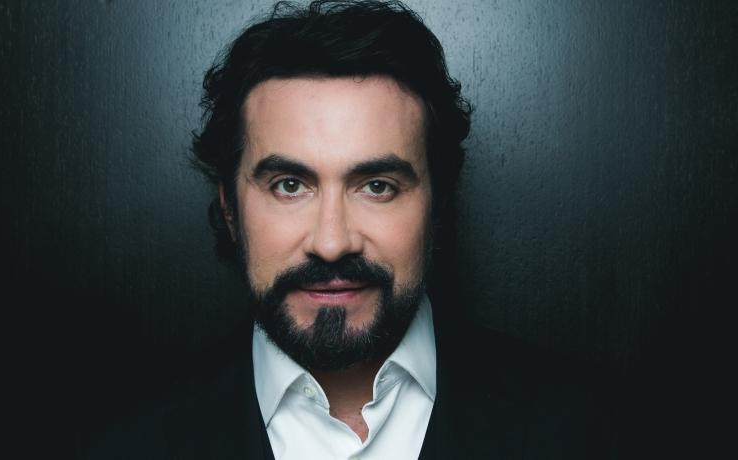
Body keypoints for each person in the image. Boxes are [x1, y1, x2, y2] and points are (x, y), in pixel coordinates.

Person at [87, 1, 615, 458]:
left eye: (377, 186)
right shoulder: (124, 442)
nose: (332, 242)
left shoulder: (588, 428)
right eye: (290, 185)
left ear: (438, 206)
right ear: (229, 209)